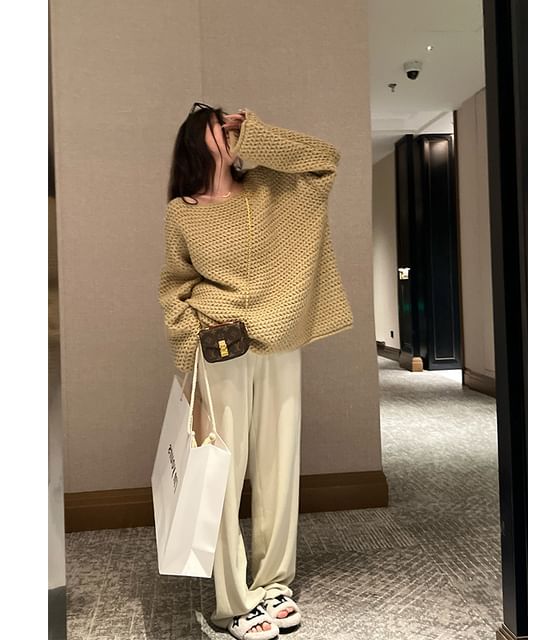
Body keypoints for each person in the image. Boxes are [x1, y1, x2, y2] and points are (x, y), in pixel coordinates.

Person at [158, 103, 353, 639]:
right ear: (196, 141)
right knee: (219, 474)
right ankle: (233, 602)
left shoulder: (271, 188)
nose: (229, 133)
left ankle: (274, 584)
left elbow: (325, 160)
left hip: (279, 345)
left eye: (232, 127)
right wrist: (189, 347)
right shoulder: (183, 212)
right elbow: (174, 286)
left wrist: (257, 132)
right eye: (219, 128)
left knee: (279, 469)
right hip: (218, 349)